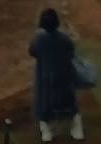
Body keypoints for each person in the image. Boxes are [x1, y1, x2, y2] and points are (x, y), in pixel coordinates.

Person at [29, 8, 84, 142]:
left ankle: (47, 133)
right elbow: (71, 50)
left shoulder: (39, 39)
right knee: (69, 104)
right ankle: (77, 131)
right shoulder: (64, 38)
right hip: (64, 77)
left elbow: (32, 52)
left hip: (45, 79)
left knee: (44, 106)